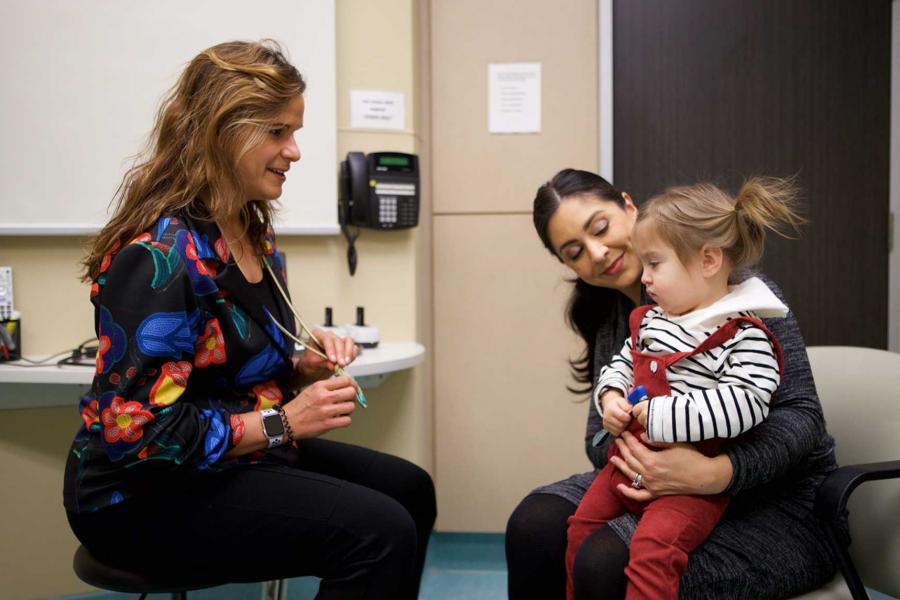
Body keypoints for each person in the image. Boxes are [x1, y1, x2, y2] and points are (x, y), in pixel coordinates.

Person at [63, 40, 435, 599]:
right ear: (223, 131)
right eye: (278, 132)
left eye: (296, 132)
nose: (295, 151)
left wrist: (301, 365)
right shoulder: (157, 257)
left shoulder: (251, 233)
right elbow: (136, 434)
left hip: (224, 459)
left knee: (411, 490)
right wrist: (283, 422)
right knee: (378, 533)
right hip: (137, 495)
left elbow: (224, 363)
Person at [506, 168, 838, 599]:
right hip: (655, 475)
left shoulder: (738, 302)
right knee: (534, 525)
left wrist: (714, 472)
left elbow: (802, 418)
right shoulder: (615, 317)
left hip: (772, 499)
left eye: (600, 228)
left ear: (628, 207)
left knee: (606, 562)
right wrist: (641, 447)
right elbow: (596, 437)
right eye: (574, 252)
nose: (598, 252)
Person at [565, 179, 800, 599]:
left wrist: (658, 418)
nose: (646, 277)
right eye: (574, 251)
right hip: (635, 461)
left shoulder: (745, 329)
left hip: (704, 480)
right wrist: (611, 398)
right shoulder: (654, 319)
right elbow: (622, 363)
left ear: (708, 260)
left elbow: (747, 404)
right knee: (578, 528)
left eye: (654, 264)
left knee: (651, 551)